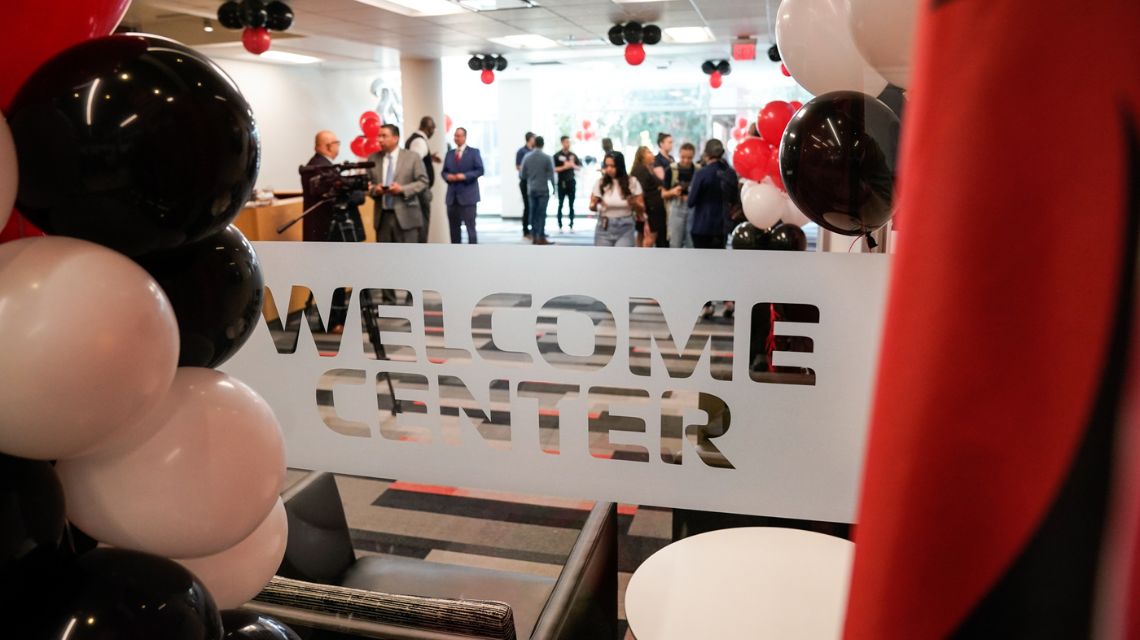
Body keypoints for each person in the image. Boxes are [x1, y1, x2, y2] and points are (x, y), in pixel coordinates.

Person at [687, 138, 738, 317]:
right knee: (720, 265)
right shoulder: (730, 173)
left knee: (703, 268)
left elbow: (691, 202)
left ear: (707, 154)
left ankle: (707, 305)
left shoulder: (702, 173)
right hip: (722, 226)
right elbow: (735, 200)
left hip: (702, 226)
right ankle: (728, 300)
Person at [367, 123, 430, 245]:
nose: (380, 140)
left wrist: (402, 189)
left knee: (408, 259)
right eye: (378, 136)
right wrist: (376, 189)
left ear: (395, 138)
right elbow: (367, 185)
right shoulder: (373, 159)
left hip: (407, 217)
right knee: (384, 259)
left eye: (384, 136)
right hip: (382, 217)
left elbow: (423, 182)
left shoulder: (412, 157)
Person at [302, 130, 356, 242]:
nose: (338, 146)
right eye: (337, 143)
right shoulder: (322, 168)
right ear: (329, 146)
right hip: (325, 229)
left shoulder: (314, 164)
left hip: (318, 228)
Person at [590, 152, 644, 247]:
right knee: (603, 259)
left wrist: (633, 202)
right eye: (606, 166)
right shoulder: (600, 183)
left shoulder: (632, 182)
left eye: (612, 166)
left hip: (625, 226)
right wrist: (595, 203)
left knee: (622, 258)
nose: (609, 169)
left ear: (619, 166)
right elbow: (592, 207)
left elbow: (641, 208)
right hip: (604, 225)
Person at [441, 127, 484, 244]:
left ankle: (473, 254)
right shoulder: (449, 154)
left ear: (465, 137)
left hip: (468, 197)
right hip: (452, 198)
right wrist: (447, 176)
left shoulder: (474, 152)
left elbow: (480, 170)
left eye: (459, 136)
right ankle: (455, 255)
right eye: (455, 135)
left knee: (470, 229)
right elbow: (443, 172)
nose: (457, 138)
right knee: (454, 230)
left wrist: (464, 176)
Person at [404, 116, 441, 242]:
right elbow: (413, 163)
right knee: (422, 228)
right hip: (420, 192)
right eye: (433, 130)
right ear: (429, 128)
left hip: (419, 191)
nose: (433, 133)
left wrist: (429, 158)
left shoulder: (416, 140)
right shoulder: (419, 141)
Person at [519, 135, 557, 245]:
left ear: (534, 144)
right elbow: (551, 176)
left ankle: (534, 236)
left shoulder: (527, 157)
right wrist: (554, 189)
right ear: (543, 144)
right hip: (543, 189)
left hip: (532, 189)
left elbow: (522, 175)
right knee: (541, 214)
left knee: (532, 213)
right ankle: (541, 236)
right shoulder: (547, 157)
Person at [630, 146, 669, 248]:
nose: (652, 154)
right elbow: (640, 191)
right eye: (649, 152)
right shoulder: (641, 170)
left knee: (643, 236)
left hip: (652, 209)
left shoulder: (648, 169)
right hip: (649, 210)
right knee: (648, 239)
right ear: (641, 156)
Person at [668, 142, 699, 248]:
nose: (686, 161)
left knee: (692, 244)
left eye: (689, 158)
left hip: (693, 209)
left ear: (694, 156)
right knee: (675, 244)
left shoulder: (698, 170)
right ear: (679, 154)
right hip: (676, 207)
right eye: (683, 157)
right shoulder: (671, 169)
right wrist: (673, 191)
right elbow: (663, 193)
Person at [552, 135, 581, 232]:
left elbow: (579, 167)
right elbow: (553, 169)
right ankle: (560, 225)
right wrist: (564, 167)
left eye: (569, 142)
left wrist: (572, 165)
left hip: (571, 182)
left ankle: (571, 224)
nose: (567, 144)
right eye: (566, 142)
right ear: (562, 143)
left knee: (571, 204)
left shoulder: (573, 155)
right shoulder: (557, 156)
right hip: (561, 183)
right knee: (560, 204)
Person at [515, 132, 536, 240]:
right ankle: (525, 231)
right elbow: (518, 167)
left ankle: (534, 230)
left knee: (534, 207)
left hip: (534, 183)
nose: (535, 140)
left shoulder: (534, 151)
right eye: (534, 138)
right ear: (530, 139)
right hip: (525, 182)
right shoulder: (521, 151)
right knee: (527, 206)